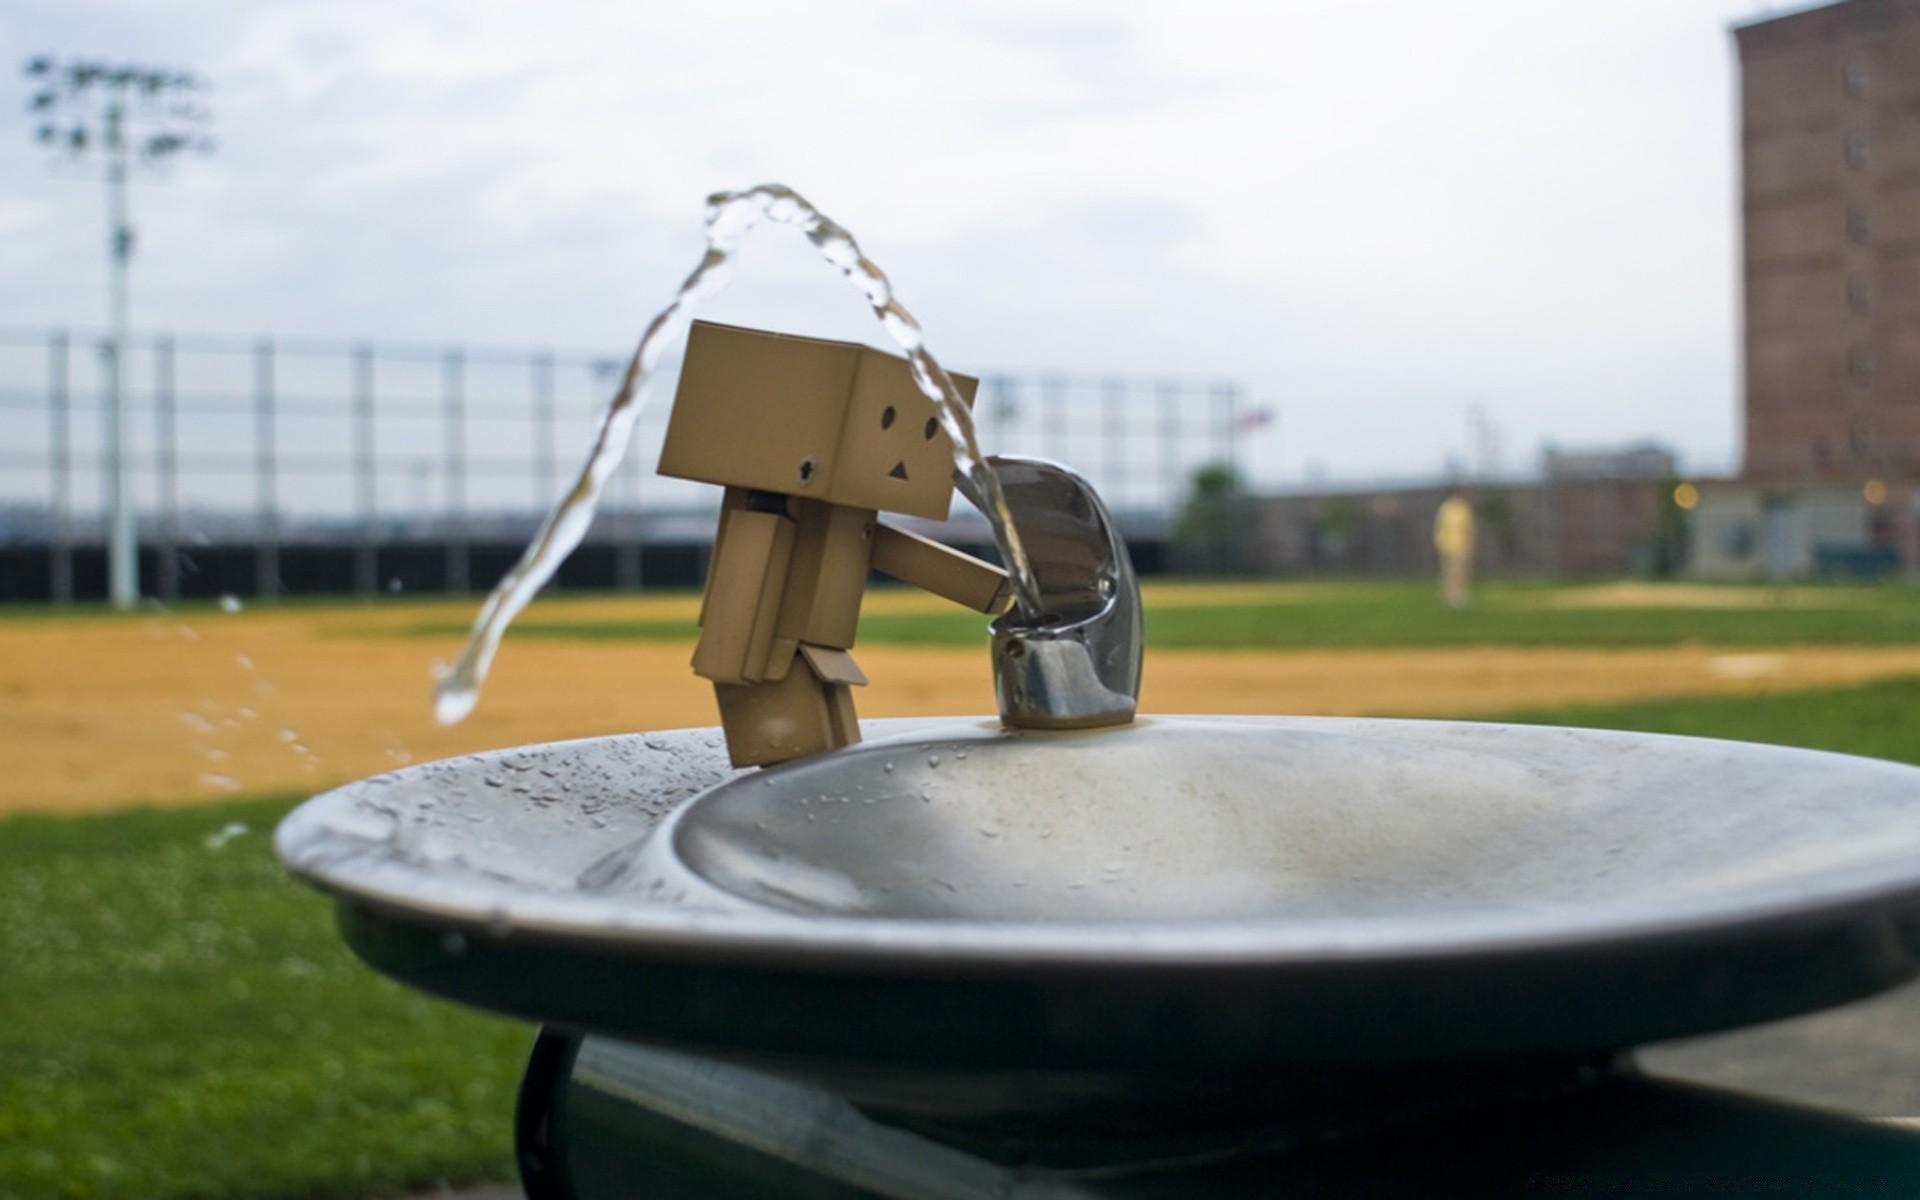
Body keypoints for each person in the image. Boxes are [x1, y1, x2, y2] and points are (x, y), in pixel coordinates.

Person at [1433, 488, 1475, 609]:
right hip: (1455, 544)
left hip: (1449, 543)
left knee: (1455, 571)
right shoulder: (1454, 508)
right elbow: (1466, 528)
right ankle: (1453, 595)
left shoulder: (1447, 508)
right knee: (1454, 571)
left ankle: (1454, 593)